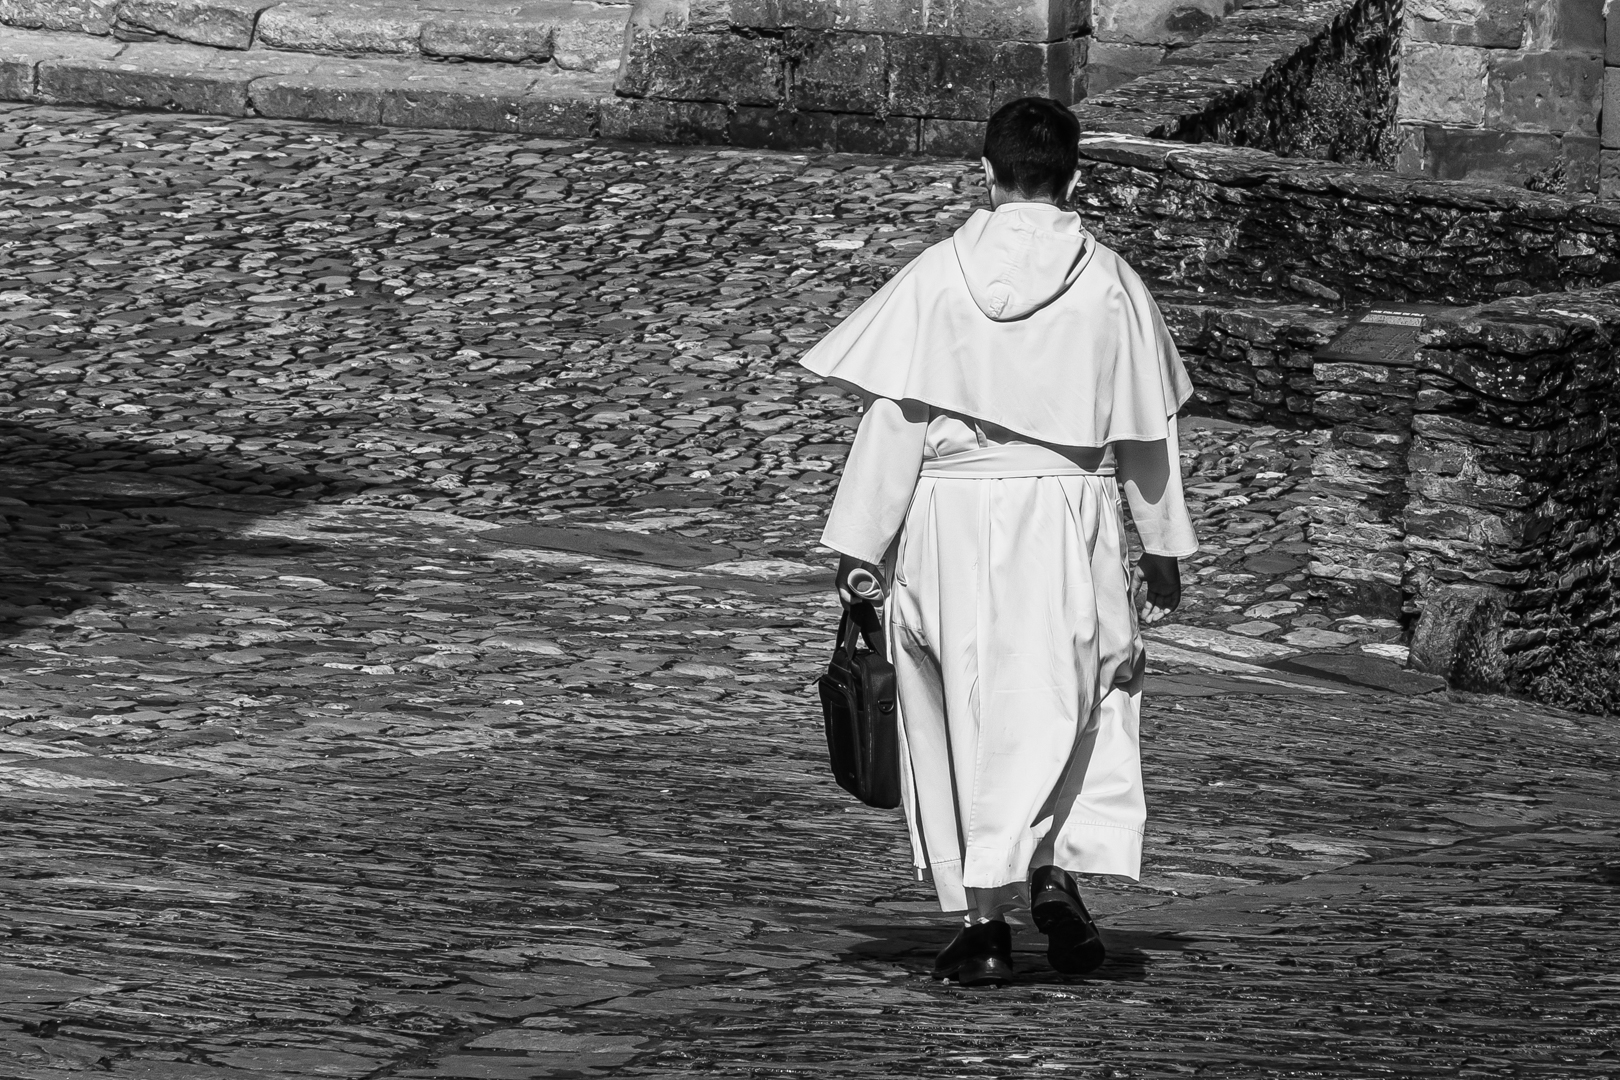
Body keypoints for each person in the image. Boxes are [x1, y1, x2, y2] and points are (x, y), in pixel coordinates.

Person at [803, 97, 1198, 987]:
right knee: (1072, 695)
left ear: (984, 173)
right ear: (1076, 179)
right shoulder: (1111, 285)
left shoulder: (937, 277)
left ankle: (986, 919)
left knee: (958, 710)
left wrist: (860, 546)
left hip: (948, 514)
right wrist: (1163, 546)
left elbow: (895, 419)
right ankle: (1050, 873)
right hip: (1070, 514)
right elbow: (1146, 433)